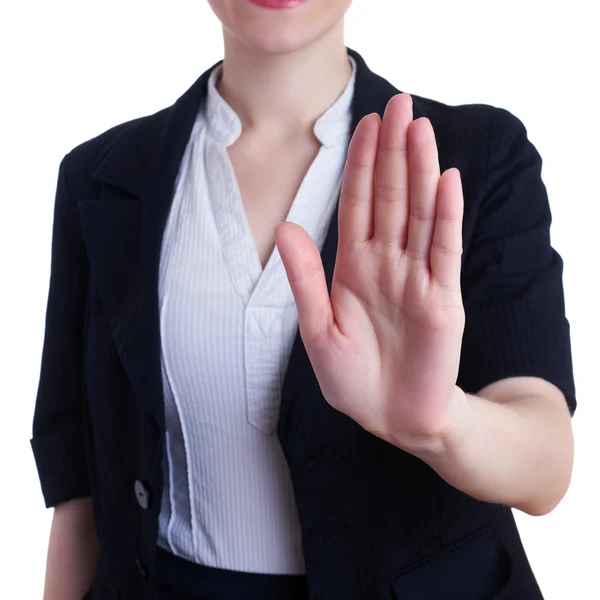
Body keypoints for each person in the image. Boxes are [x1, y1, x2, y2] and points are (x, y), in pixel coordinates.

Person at [31, 0, 577, 599]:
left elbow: (547, 466)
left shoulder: (475, 157)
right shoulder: (98, 176)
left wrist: (441, 423)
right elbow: (79, 497)